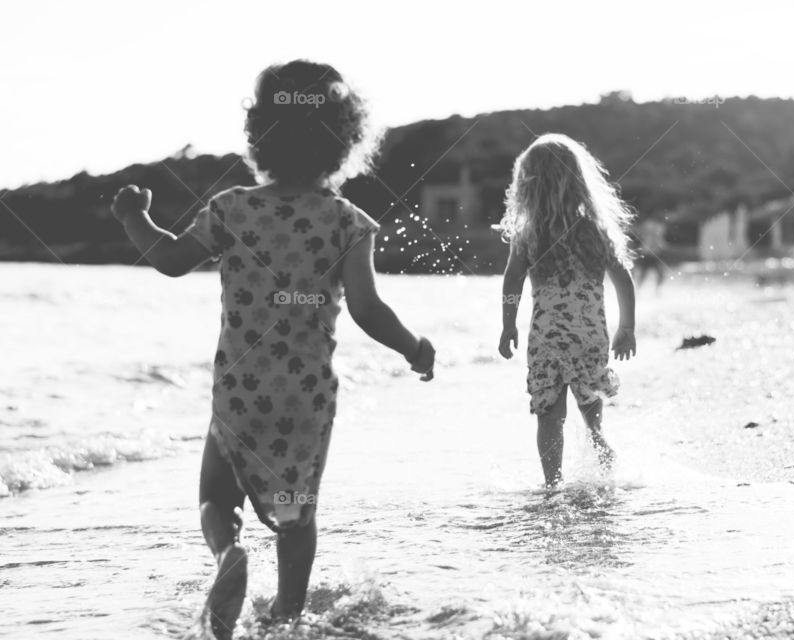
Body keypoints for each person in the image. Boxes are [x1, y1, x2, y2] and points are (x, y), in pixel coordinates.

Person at [110, 60, 435, 639]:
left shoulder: (233, 208)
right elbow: (368, 311)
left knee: (216, 494)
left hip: (240, 389)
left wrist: (136, 215)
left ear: (257, 134)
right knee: (295, 512)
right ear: (346, 141)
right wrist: (415, 349)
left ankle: (228, 553)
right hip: (305, 398)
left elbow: (169, 259)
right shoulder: (348, 222)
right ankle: (287, 615)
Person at [497, 133, 636, 488]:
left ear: (527, 185)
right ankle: (608, 477)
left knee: (549, 416)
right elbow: (622, 279)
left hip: (546, 339)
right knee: (593, 418)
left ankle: (552, 486)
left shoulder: (528, 233)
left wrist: (508, 324)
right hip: (589, 336)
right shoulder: (593, 229)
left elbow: (512, 282)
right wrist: (627, 327)